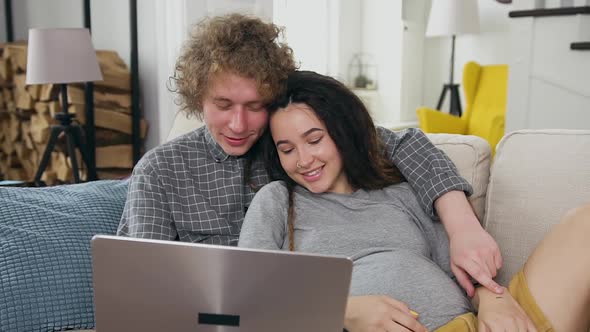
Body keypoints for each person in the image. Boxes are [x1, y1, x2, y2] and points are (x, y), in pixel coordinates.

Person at [117, 13, 502, 297]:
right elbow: (144, 286)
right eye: (222, 104)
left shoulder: (288, 142)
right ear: (197, 95)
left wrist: (463, 227)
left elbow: (405, 145)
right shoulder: (160, 171)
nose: (238, 124)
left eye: (255, 106)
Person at [238, 70, 590, 332]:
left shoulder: (401, 192)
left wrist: (494, 300)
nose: (303, 159)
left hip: (471, 325)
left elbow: (463, 273)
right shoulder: (277, 202)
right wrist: (341, 310)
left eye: (314, 140)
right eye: (287, 149)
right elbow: (243, 301)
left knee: (584, 224)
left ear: (343, 133)